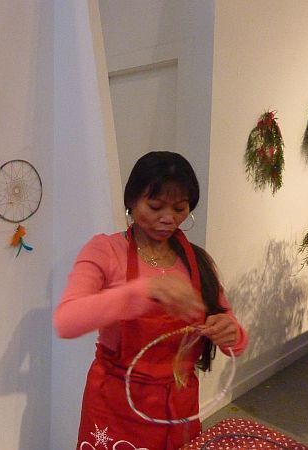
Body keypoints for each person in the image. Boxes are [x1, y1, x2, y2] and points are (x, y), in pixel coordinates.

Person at [53, 151, 248, 450]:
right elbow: (66, 321)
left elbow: (235, 340)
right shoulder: (105, 251)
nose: (168, 218)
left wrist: (230, 332)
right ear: (131, 201)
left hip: (178, 407)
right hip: (115, 407)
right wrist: (141, 292)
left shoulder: (197, 262)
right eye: (155, 206)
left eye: (180, 208)